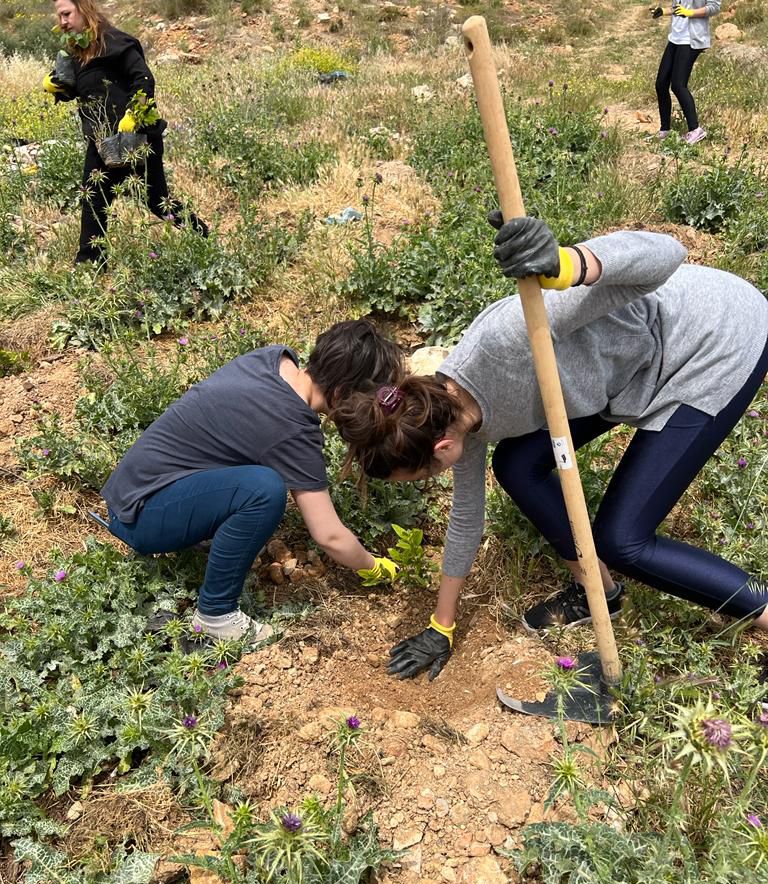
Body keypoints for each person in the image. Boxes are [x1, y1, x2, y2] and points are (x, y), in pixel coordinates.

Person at [333, 216, 768, 680]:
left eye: (421, 478)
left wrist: (567, 262)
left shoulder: (513, 339)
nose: (429, 483)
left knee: (623, 540)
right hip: (628, 371)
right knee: (519, 463)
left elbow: (665, 255)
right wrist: (442, 625)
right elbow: (466, 520)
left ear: (440, 448)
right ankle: (595, 588)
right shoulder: (452, 417)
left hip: (711, 340)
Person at [101, 319, 402, 641]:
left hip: (135, 491)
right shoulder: (293, 427)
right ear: (343, 393)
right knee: (263, 490)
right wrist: (376, 567)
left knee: (256, 485)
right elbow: (329, 536)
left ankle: (202, 531)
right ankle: (216, 614)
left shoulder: (274, 359)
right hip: (143, 516)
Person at [42, 0, 207, 266]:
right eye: (59, 16)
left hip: (136, 139)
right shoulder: (77, 52)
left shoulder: (115, 42)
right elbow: (79, 88)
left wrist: (134, 114)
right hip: (102, 142)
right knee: (93, 200)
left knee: (158, 202)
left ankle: (203, 237)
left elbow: (143, 79)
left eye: (66, 14)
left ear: (84, 10)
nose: (62, 22)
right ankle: (89, 265)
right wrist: (56, 86)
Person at [654, 0, 720, 145]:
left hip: (691, 39)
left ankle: (695, 130)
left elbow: (714, 7)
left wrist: (690, 13)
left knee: (678, 85)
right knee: (661, 84)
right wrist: (665, 11)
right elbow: (680, 8)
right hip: (675, 38)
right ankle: (665, 130)